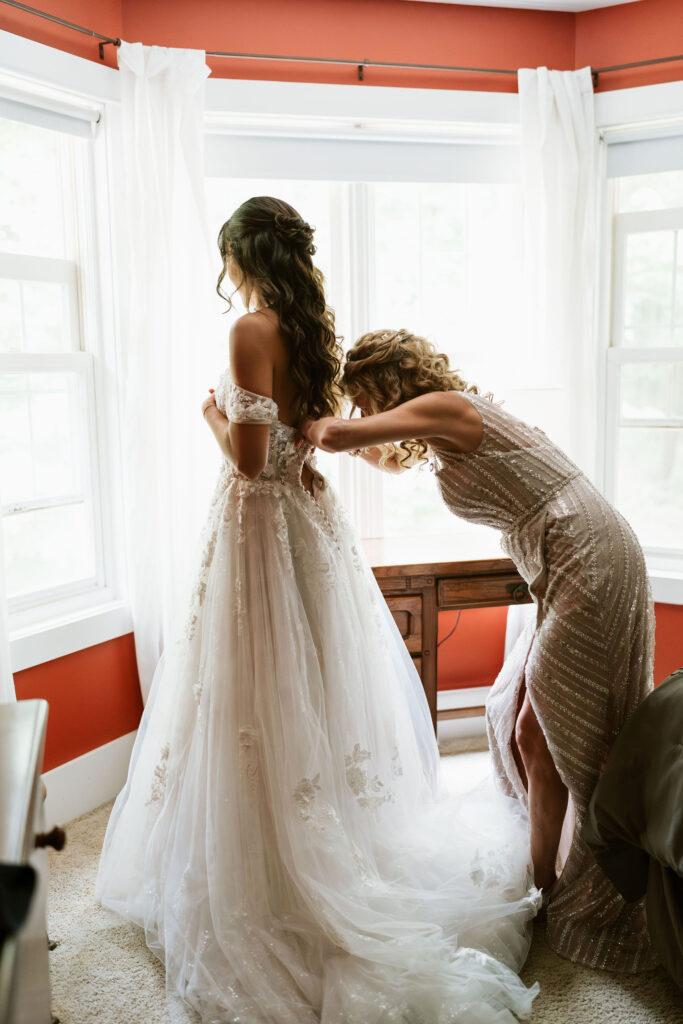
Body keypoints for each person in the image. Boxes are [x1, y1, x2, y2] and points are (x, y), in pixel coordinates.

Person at [96, 200, 540, 1024]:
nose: (224, 273)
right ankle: (321, 824)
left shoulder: (249, 330)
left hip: (260, 524)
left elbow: (253, 458)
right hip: (310, 518)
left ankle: (268, 860)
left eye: (225, 259)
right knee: (313, 675)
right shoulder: (310, 331)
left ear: (238, 255)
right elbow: (304, 440)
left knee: (254, 680)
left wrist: (210, 415)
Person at [300, 328, 656, 974]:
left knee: (545, 728)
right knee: (526, 724)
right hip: (561, 557)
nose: (360, 415)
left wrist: (284, 408)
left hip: (586, 553)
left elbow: (336, 437)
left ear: (388, 386)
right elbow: (376, 454)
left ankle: (557, 884)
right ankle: (547, 871)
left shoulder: (450, 408)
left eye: (363, 400)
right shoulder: (441, 426)